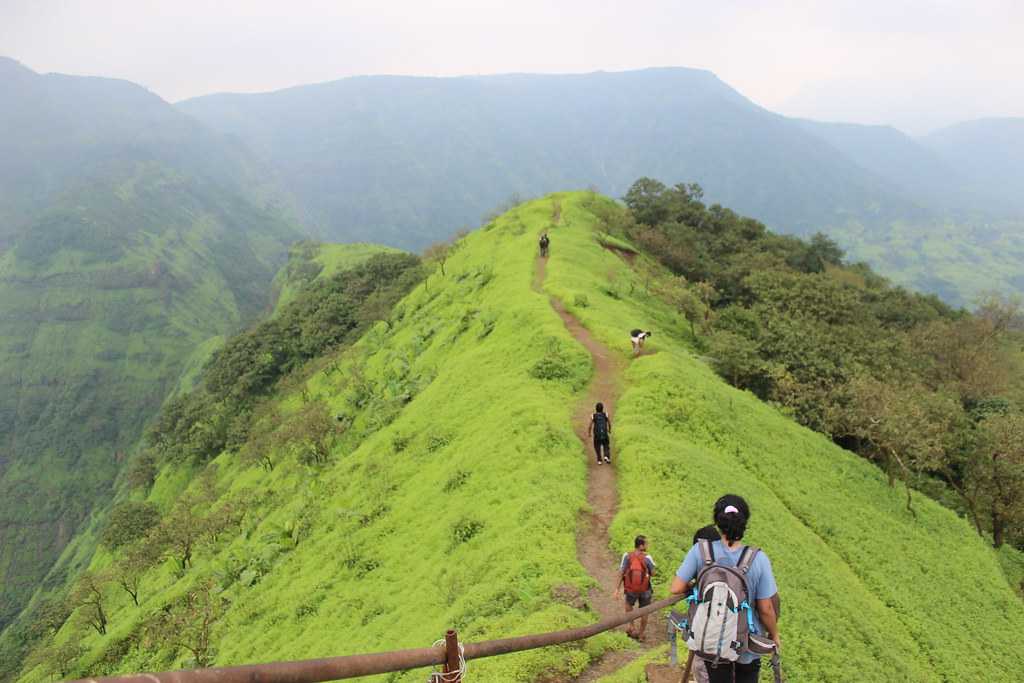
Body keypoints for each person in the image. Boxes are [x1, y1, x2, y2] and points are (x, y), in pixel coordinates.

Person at [670, 495, 780, 683]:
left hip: (712, 643)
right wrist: (774, 635)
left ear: (717, 522)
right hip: (746, 644)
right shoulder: (758, 559)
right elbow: (766, 609)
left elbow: (676, 588)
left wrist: (697, 584)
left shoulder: (700, 551)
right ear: (744, 522)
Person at [616, 535, 656, 640]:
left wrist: (617, 589)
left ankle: (631, 626)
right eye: (646, 543)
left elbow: (622, 572)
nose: (647, 545)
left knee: (629, 605)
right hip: (645, 589)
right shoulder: (648, 557)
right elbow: (653, 573)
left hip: (630, 589)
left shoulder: (627, 556)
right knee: (645, 610)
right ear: (641, 545)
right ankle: (641, 634)